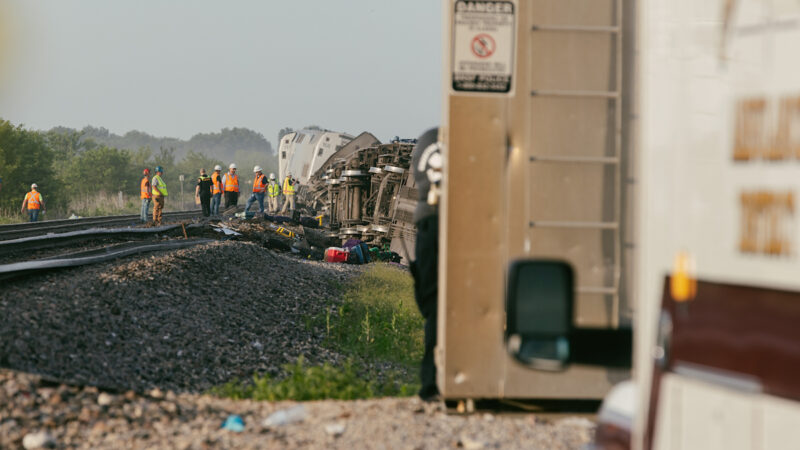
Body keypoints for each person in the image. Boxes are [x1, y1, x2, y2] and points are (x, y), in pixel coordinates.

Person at [410, 128, 442, 401]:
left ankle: (430, 382)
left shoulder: (426, 142)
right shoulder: (466, 140)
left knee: (432, 307)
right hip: (463, 219)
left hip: (427, 221)